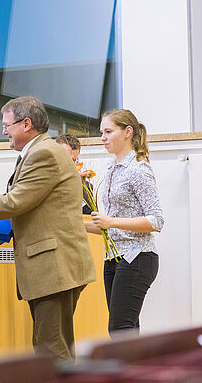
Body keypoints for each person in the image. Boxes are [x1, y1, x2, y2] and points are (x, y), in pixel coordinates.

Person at [0, 96, 96, 361]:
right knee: (49, 348)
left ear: (26, 124)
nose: (4, 131)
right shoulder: (37, 153)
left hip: (55, 267)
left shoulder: (44, 153)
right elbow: (26, 211)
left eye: (7, 125)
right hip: (53, 268)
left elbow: (17, 201)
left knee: (52, 352)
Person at [84, 109, 163, 337]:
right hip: (113, 258)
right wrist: (76, 226)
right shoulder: (110, 171)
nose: (103, 138)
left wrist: (111, 221)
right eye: (102, 132)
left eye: (109, 131)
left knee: (120, 328)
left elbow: (156, 220)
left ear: (127, 132)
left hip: (138, 256)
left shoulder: (139, 169)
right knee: (123, 329)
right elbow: (109, 227)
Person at [55, 133, 93, 214]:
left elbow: (90, 217)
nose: (72, 165)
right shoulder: (42, 182)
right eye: (67, 160)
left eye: (74, 161)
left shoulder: (86, 188)